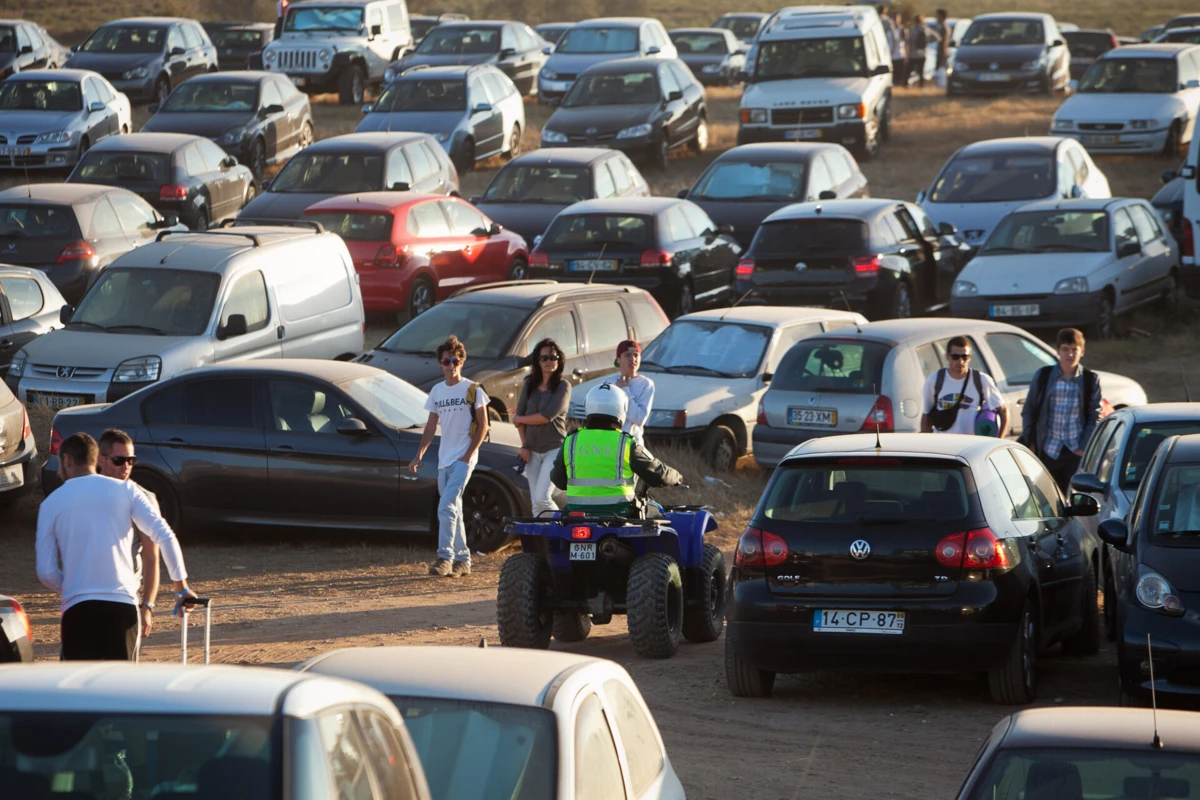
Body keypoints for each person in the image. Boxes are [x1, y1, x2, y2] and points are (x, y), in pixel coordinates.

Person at [36, 433, 195, 661]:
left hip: (77, 610)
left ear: (67, 460)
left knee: (78, 683)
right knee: (120, 682)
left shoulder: (51, 503)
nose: (59, 473)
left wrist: (77, 585)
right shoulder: (128, 490)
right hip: (122, 607)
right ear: (97, 459)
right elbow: (164, 535)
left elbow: (46, 572)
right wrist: (181, 587)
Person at [409, 335, 489, 578]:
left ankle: (445, 557)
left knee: (445, 506)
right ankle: (463, 560)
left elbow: (483, 425)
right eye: (446, 361)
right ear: (440, 364)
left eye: (455, 361)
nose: (451, 365)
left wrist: (468, 456)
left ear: (461, 362)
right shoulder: (437, 391)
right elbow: (430, 426)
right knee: (453, 508)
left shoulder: (473, 389)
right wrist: (419, 455)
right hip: (444, 459)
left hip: (464, 458)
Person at [551, 383, 683, 518]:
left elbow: (558, 480)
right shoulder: (625, 443)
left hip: (577, 514)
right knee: (658, 514)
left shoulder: (571, 440)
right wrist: (677, 477)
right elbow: (657, 474)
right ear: (622, 408)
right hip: (619, 514)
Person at [1020, 328, 1102, 492]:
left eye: (1074, 350)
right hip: (1048, 449)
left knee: (1073, 496)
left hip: (1075, 450)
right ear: (1057, 351)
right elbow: (1029, 410)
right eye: (1065, 349)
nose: (1069, 355)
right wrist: (1031, 442)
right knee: (1047, 495)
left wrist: (1083, 447)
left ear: (1082, 352)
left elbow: (1095, 415)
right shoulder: (1044, 376)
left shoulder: (1089, 379)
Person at [97, 429, 159, 644]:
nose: (126, 467)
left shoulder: (144, 500)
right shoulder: (85, 495)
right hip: (87, 597)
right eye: (119, 460)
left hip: (125, 598)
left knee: (122, 665)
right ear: (101, 460)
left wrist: (147, 606)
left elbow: (151, 557)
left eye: (131, 460)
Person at [513, 338, 571, 518]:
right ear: (537, 361)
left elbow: (546, 416)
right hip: (532, 451)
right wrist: (525, 445)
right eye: (543, 358)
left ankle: (564, 525)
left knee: (541, 498)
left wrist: (520, 419)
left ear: (559, 360)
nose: (548, 361)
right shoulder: (529, 384)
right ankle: (544, 536)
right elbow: (519, 419)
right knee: (535, 504)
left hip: (554, 449)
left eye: (553, 357)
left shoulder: (563, 386)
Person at [921, 336, 1008, 437]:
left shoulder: (981, 380)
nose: (960, 362)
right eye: (955, 357)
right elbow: (926, 416)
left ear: (969, 357)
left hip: (970, 443)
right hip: (943, 442)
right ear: (947, 356)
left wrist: (1000, 439)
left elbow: (1003, 410)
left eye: (964, 357)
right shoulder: (934, 380)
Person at [613, 340, 653, 446]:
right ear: (618, 359)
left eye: (636, 355)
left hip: (632, 445)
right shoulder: (609, 382)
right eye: (627, 355)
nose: (633, 359)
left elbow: (639, 419)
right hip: (611, 443)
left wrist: (625, 390)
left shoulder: (646, 384)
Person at [908, 15, 929, 87]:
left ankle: (906, 85)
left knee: (909, 71)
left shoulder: (912, 30)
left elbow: (908, 41)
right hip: (922, 54)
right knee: (921, 72)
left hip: (913, 54)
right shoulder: (925, 29)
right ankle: (921, 86)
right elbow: (936, 37)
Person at [891, 12, 908, 83]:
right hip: (891, 55)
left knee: (900, 75)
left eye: (897, 18)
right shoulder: (890, 29)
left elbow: (906, 41)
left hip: (900, 54)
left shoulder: (902, 28)